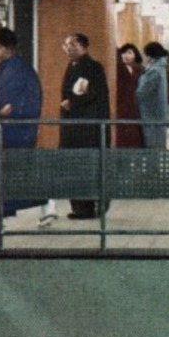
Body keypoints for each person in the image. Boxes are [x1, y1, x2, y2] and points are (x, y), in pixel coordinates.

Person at [0, 26, 50, 221]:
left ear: (1, 47)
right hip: (18, 131)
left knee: (14, 176)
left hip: (14, 132)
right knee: (16, 175)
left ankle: (44, 201)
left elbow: (4, 103)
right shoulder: (17, 68)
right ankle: (44, 203)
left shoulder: (14, 70)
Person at [59, 32, 111, 220]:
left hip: (86, 126)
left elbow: (94, 93)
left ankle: (89, 206)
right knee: (76, 165)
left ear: (84, 47)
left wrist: (72, 103)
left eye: (73, 45)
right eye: (66, 45)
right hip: (74, 125)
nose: (68, 49)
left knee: (85, 165)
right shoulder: (72, 66)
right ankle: (80, 207)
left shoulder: (92, 67)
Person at [136, 41, 169, 149]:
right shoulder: (160, 68)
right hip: (157, 116)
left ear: (149, 56)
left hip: (151, 116)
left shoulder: (153, 71)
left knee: (153, 149)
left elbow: (142, 93)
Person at [115, 43, 143, 149]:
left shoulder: (140, 70)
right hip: (122, 107)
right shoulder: (117, 70)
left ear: (135, 55)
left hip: (136, 107)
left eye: (129, 53)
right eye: (123, 53)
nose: (125, 55)